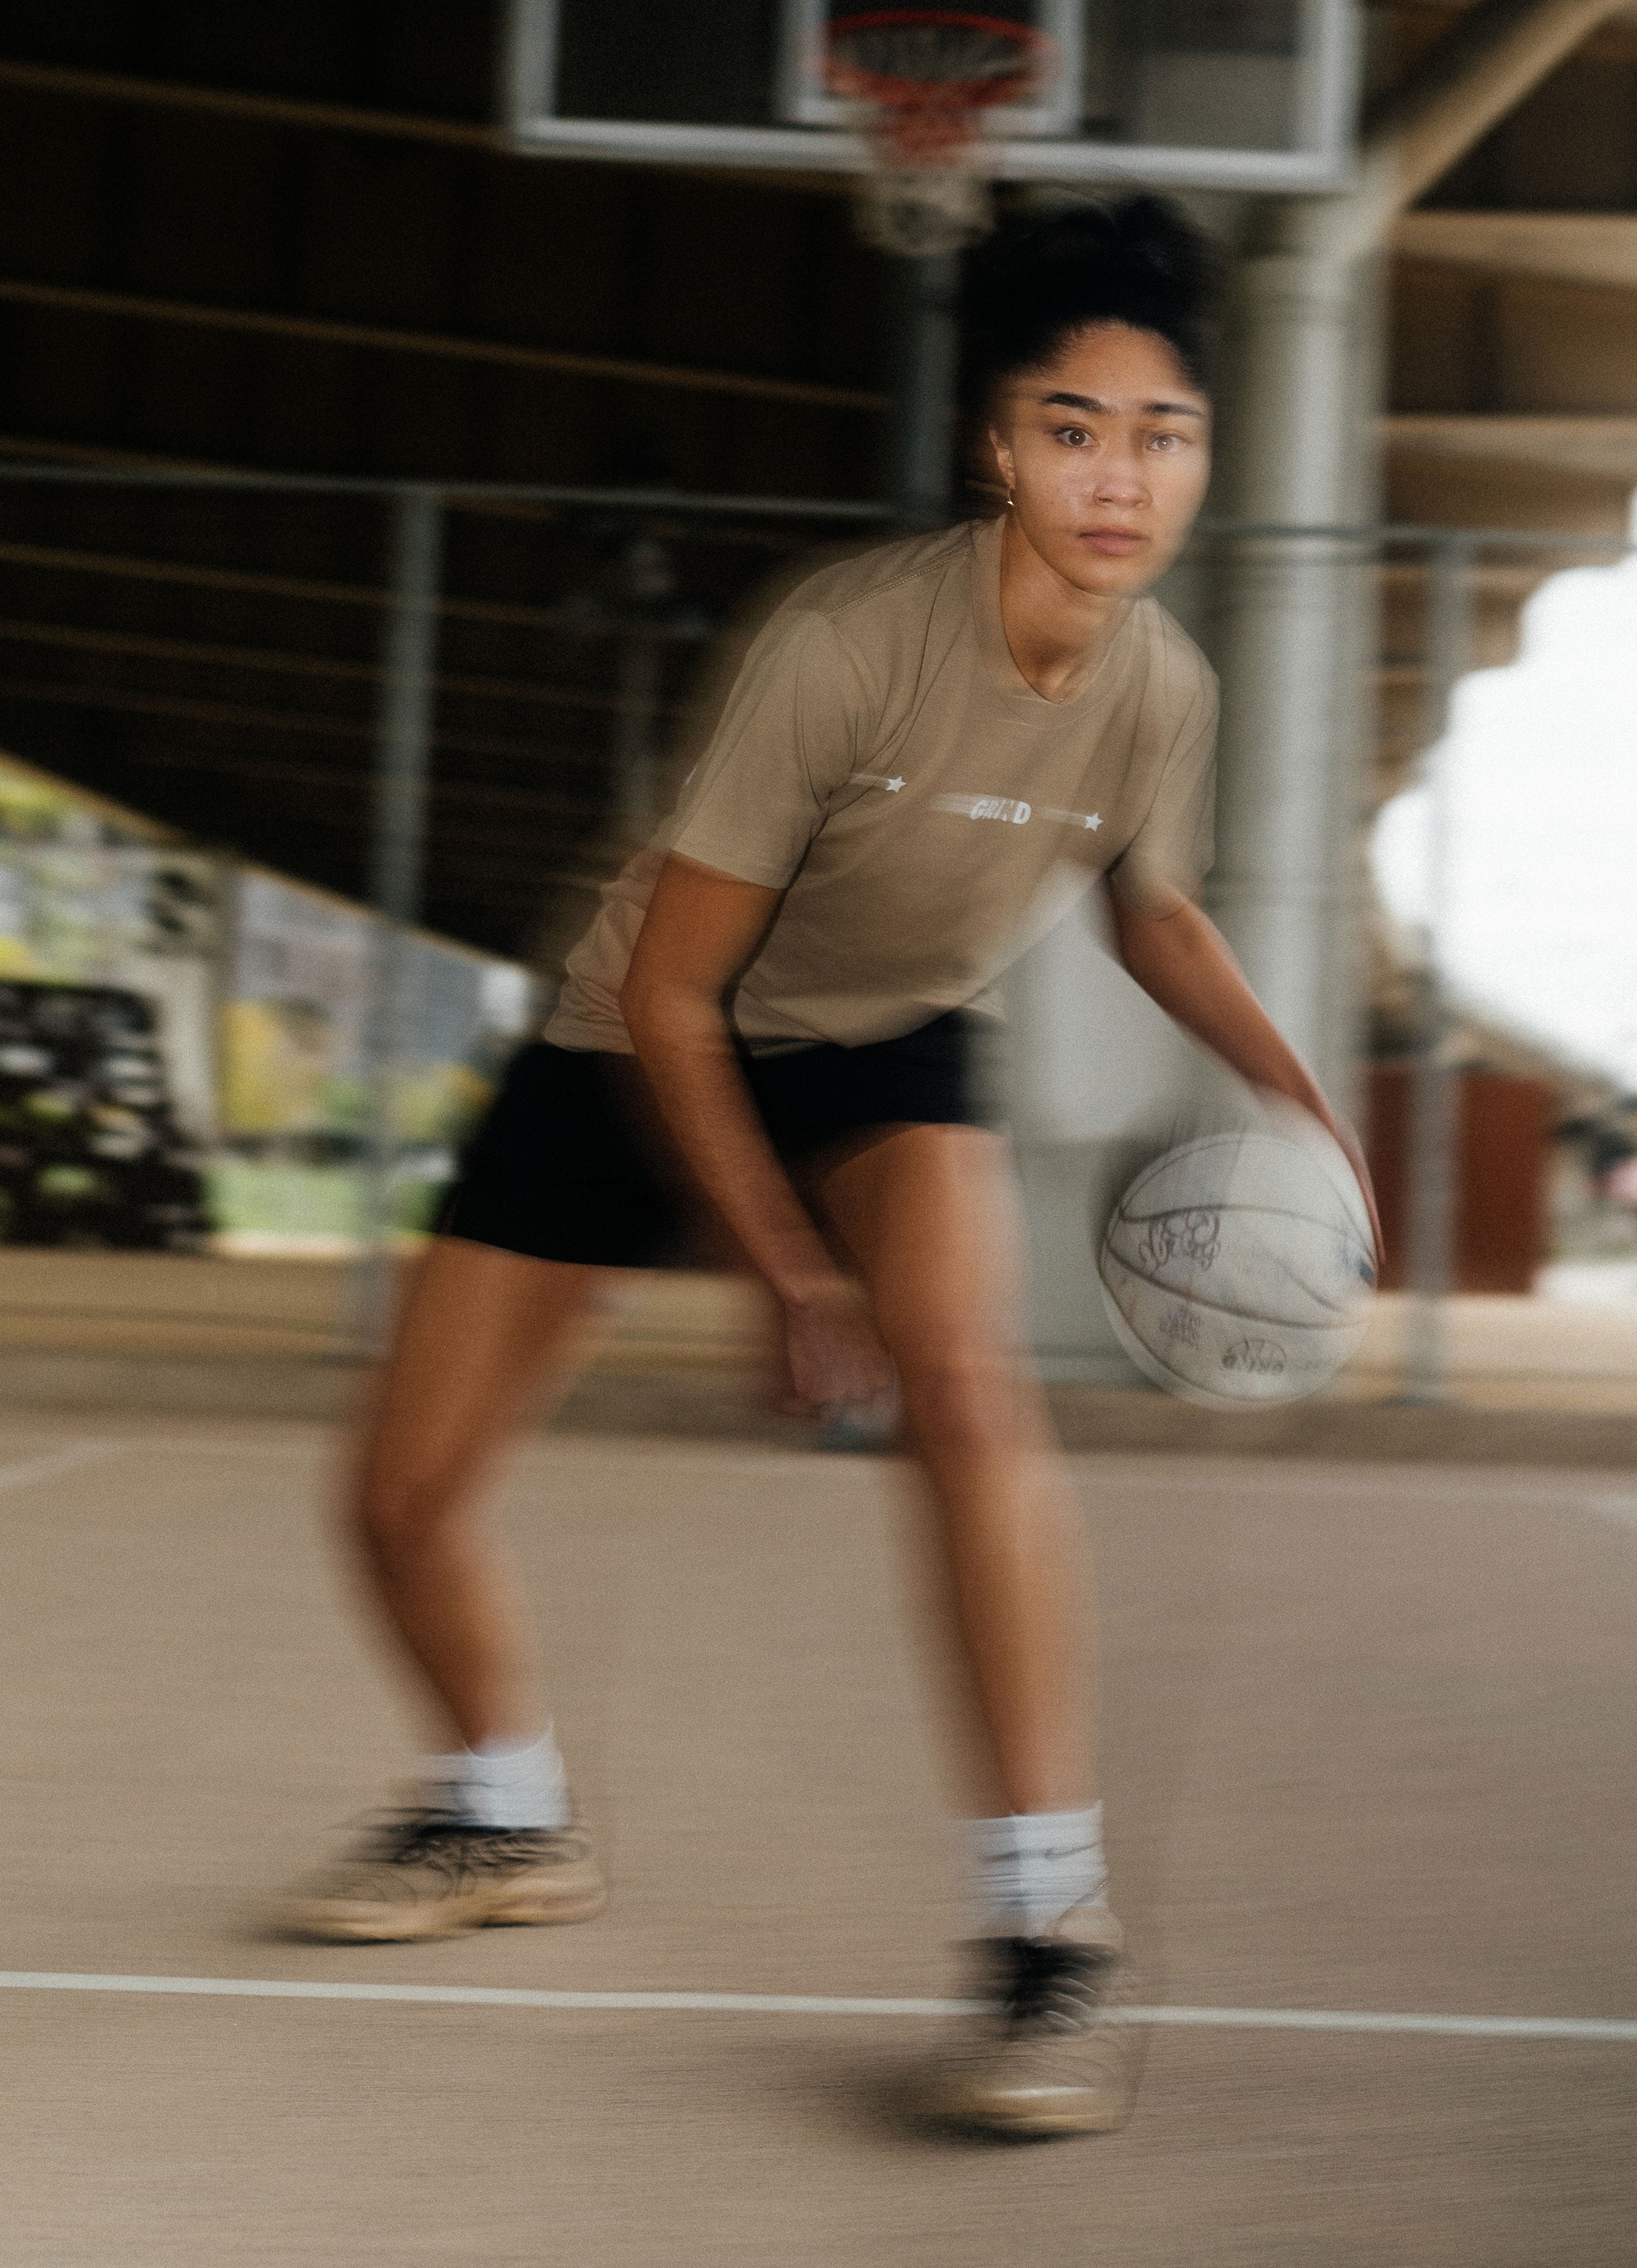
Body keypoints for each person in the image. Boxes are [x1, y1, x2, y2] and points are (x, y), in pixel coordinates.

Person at [283, 197, 1378, 2137]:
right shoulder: (845, 647)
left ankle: (1046, 1949)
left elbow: (1162, 919)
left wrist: (1306, 1105)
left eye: (1162, 432)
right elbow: (688, 996)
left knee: (971, 1392)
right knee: (395, 1500)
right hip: (637, 1036)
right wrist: (787, 1272)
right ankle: (499, 1811)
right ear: (994, 445)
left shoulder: (1163, 687)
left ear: (1203, 451)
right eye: (1071, 426)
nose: (1121, 478)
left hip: (890, 1046)